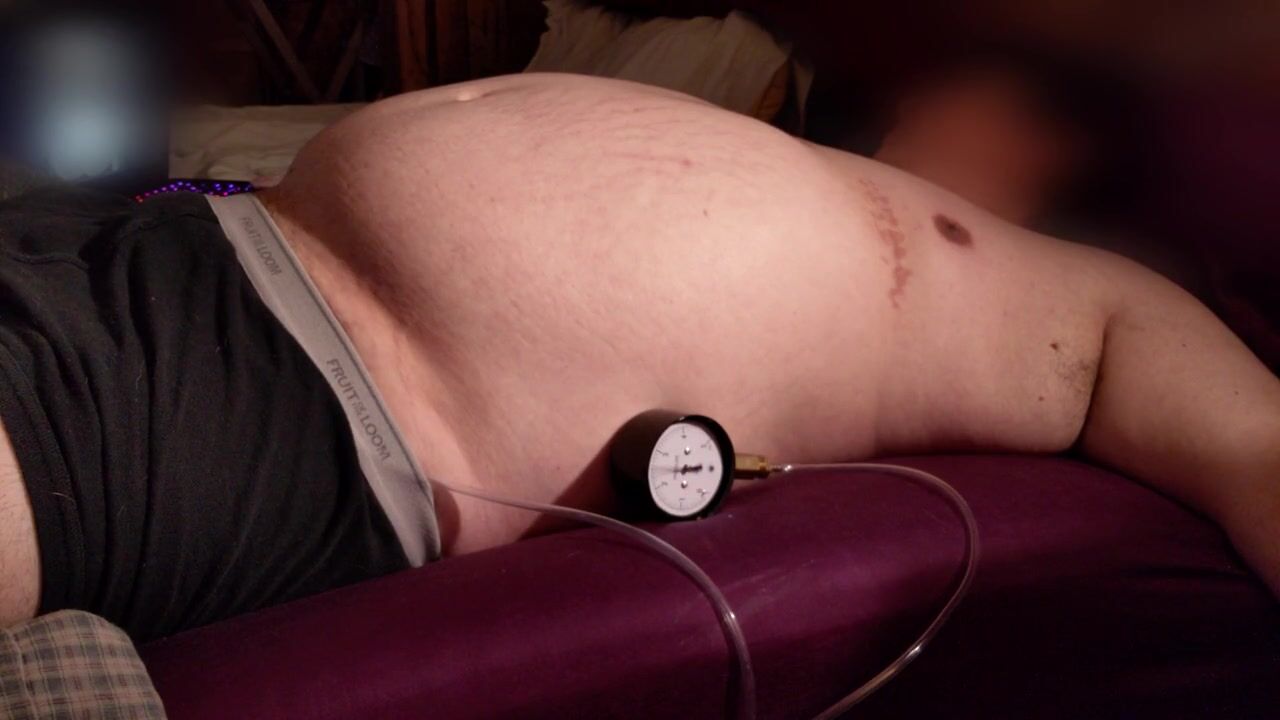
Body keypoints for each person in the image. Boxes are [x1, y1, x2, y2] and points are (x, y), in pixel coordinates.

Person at [1, 72, 1276, 639]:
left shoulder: (1069, 296)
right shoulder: (831, 175)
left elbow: (1256, 444)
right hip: (164, 248)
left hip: (278, 396)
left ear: (1059, 146)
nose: (921, 88)